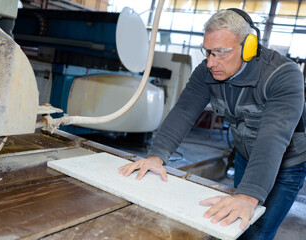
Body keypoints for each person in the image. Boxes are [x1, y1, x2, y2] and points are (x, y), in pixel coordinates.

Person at [118, 8, 306, 240]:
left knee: (258, 229)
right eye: (207, 52)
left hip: (286, 164)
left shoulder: (283, 75)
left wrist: (248, 196)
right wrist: (156, 156)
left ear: (248, 47)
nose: (210, 62)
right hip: (246, 157)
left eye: (220, 52)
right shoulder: (207, 72)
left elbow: (273, 137)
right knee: (236, 225)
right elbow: (184, 111)